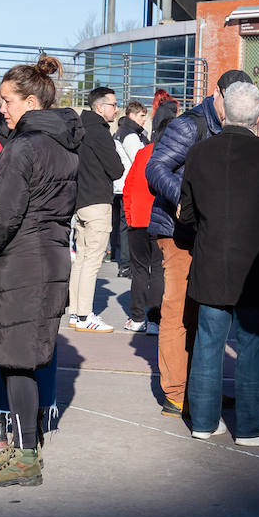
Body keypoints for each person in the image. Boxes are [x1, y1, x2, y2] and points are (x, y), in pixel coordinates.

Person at [0, 57, 82, 488]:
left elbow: (0, 214)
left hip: (21, 260)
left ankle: (26, 457)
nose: (2, 109)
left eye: (8, 101)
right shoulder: (63, 145)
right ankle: (22, 448)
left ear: (31, 101)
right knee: (22, 361)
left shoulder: (23, 147)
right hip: (46, 255)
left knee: (17, 362)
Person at [179, 82, 259, 446]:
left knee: (208, 344)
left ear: (224, 112)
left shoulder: (199, 153)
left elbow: (187, 213)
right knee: (253, 345)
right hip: (256, 266)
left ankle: (203, 421)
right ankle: (252, 425)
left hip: (212, 259)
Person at [145, 69, 253, 417]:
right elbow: (156, 167)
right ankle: (176, 393)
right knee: (178, 313)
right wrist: (186, 200)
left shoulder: (231, 127)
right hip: (178, 232)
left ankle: (201, 388)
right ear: (219, 94)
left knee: (203, 313)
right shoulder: (190, 125)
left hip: (207, 233)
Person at [68, 86, 125, 333]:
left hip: (79, 201)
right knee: (92, 261)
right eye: (113, 104)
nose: (117, 109)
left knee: (81, 259)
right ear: (100, 107)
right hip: (97, 202)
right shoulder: (99, 132)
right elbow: (116, 169)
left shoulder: (78, 129)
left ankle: (75, 313)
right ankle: (84, 315)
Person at [120, 136, 160, 333]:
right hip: (161, 220)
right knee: (159, 270)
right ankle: (154, 320)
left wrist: (129, 215)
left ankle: (136, 318)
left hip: (138, 219)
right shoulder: (176, 152)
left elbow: (129, 185)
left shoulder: (143, 153)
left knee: (139, 270)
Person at [111, 99, 150, 275]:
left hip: (120, 185)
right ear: (132, 115)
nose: (144, 119)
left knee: (121, 225)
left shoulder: (122, 131)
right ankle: (126, 264)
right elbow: (140, 159)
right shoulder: (131, 135)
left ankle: (120, 259)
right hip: (128, 185)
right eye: (142, 116)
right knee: (128, 226)